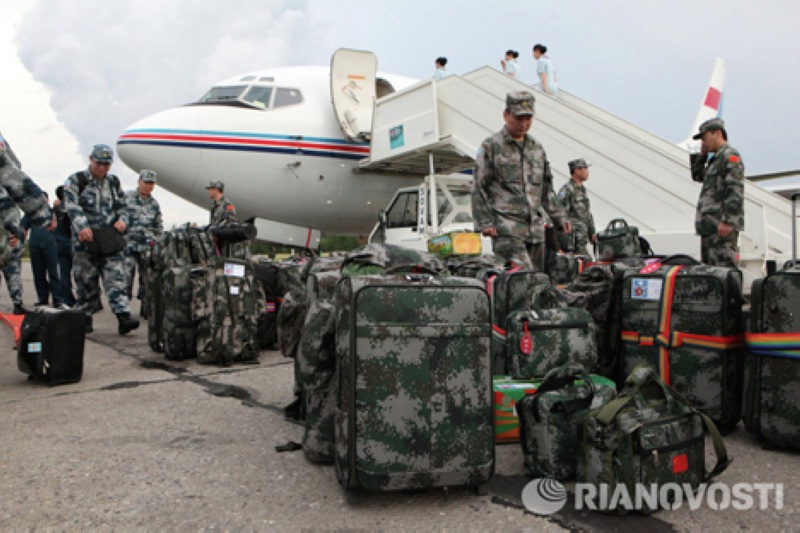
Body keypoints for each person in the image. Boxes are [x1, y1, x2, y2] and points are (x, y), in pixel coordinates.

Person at [472, 91, 571, 270]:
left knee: (536, 283)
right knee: (520, 280)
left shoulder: (537, 149)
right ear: (506, 115)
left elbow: (546, 189)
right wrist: (485, 222)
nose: (524, 124)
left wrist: (559, 217)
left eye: (528, 118)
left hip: (536, 231)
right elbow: (479, 186)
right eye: (519, 118)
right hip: (507, 229)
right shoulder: (491, 146)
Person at [63, 144, 139, 335]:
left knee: (116, 279)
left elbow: (123, 206)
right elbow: (71, 205)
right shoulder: (76, 180)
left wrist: (123, 220)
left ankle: (123, 317)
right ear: (91, 159)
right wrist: (82, 226)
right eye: (99, 163)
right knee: (86, 281)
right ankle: (85, 317)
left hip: (109, 239)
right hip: (86, 242)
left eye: (106, 164)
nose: (102, 168)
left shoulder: (113, 182)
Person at [690, 118, 744, 268]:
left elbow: (735, 189)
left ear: (717, 133)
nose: (703, 142)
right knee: (711, 273)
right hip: (709, 227)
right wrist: (701, 156)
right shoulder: (715, 160)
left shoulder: (729, 156)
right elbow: (698, 176)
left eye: (704, 137)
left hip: (721, 226)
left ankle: (731, 293)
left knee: (725, 270)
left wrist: (728, 220)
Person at [124, 169, 163, 318]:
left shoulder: (154, 204)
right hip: (127, 246)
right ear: (139, 181)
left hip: (146, 248)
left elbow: (158, 226)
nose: (148, 186)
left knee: (147, 280)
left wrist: (157, 242)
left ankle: (146, 309)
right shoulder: (126, 198)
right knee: (126, 278)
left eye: (151, 183)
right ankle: (124, 311)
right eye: (146, 182)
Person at [22, 192, 63, 307]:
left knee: (54, 273)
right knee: (38, 274)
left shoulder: (54, 212)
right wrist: (20, 243)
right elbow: (24, 228)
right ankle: (42, 298)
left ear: (47, 200)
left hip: (51, 246)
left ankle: (57, 298)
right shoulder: (31, 214)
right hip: (35, 246)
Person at [558, 158, 597, 257]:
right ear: (576, 170)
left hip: (582, 238)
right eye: (585, 168)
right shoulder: (567, 189)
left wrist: (592, 232)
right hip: (573, 240)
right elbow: (561, 213)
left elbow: (587, 213)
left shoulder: (582, 190)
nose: (587, 171)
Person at [53, 186, 76, 307]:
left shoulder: (56, 209)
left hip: (59, 243)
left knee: (64, 273)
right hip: (72, 242)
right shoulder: (71, 208)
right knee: (79, 273)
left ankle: (67, 299)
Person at [1, 209, 26, 315]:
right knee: (14, 276)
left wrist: (18, 238)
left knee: (14, 277)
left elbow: (18, 228)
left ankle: (18, 305)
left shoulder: (11, 206)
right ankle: (18, 305)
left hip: (11, 247)